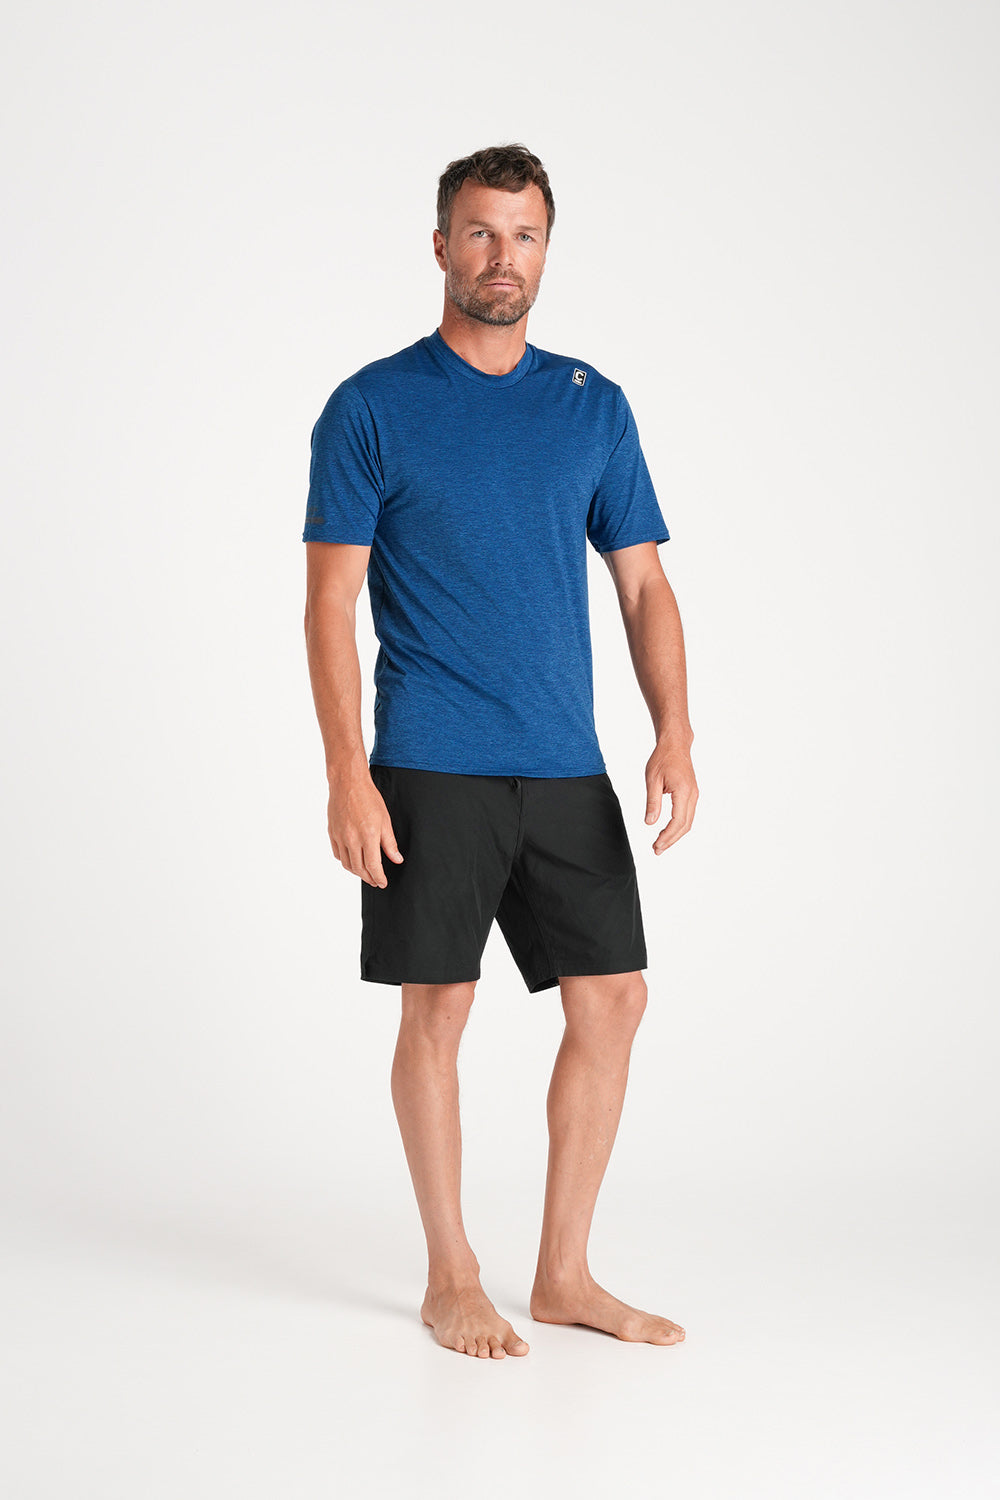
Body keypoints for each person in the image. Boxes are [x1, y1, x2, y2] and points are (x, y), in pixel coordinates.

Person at [303, 143, 698, 1360]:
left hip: (563, 760)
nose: (501, 257)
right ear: (441, 245)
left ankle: (564, 1274)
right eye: (479, 232)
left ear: (545, 249)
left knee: (615, 999)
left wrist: (674, 730)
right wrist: (347, 771)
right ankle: (451, 1275)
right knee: (440, 1008)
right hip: (431, 758)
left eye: (523, 235)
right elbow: (329, 603)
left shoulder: (591, 404)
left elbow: (643, 585)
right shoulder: (372, 405)